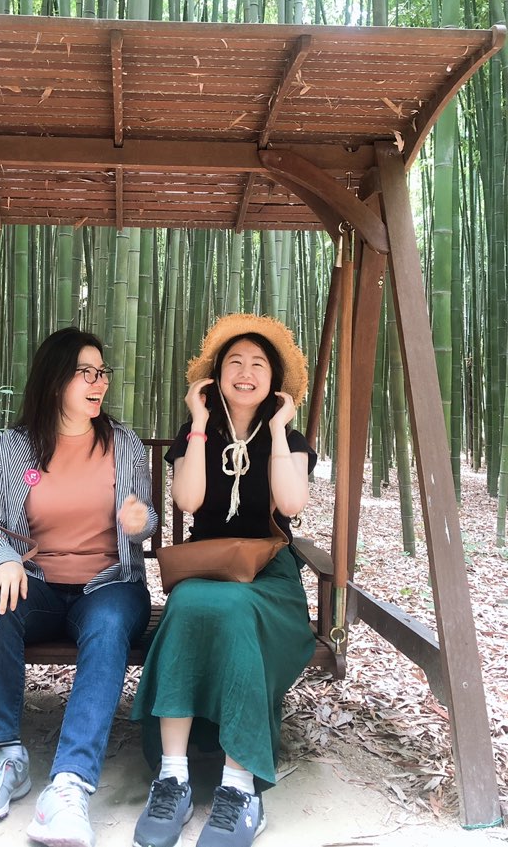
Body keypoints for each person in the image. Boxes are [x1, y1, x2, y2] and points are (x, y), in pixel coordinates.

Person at [0, 327, 157, 847]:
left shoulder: (123, 445)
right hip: (39, 583)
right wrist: (3, 559)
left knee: (109, 627)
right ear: (54, 381)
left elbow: (145, 520)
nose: (99, 382)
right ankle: (5, 756)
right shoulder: (16, 446)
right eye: (85, 372)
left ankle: (70, 783)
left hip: (110, 584)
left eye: (102, 372)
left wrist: (140, 522)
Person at [131, 313, 317, 847]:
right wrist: (197, 421)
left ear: (274, 381)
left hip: (269, 574)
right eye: (234, 361)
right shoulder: (200, 434)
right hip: (207, 566)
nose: (245, 371)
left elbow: (291, 504)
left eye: (258, 364)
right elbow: (188, 500)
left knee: (235, 612)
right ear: (216, 376)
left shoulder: (290, 438)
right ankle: (173, 777)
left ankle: (238, 787)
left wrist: (278, 430)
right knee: (187, 607)